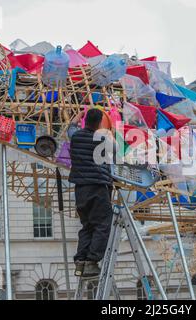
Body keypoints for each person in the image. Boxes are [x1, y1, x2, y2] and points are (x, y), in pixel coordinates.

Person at [68, 109, 114, 278]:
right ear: (100, 123)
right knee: (102, 224)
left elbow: (70, 127)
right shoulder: (103, 139)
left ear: (85, 121)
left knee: (87, 225)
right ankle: (92, 261)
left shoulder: (76, 136)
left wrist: (78, 114)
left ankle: (80, 261)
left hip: (81, 189)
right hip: (98, 187)